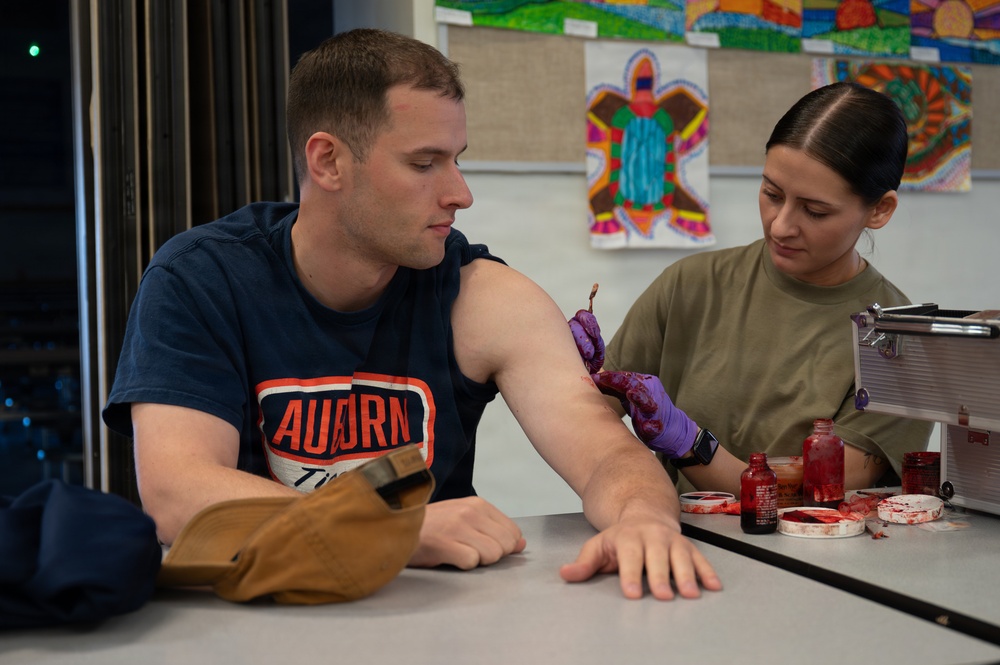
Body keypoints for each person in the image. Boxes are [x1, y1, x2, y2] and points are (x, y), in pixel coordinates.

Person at [101, 28, 721, 601]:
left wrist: (643, 516)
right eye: (425, 164)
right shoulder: (201, 279)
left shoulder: (482, 296)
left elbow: (606, 455)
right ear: (328, 162)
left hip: (434, 619)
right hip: (248, 618)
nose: (460, 193)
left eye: (458, 159)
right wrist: (392, 531)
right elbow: (177, 493)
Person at [570, 82, 934, 498]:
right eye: (771, 194)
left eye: (814, 211)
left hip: (814, 557)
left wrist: (693, 446)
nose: (780, 225)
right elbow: (590, 416)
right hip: (678, 541)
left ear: (879, 209)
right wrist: (563, 374)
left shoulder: (896, 340)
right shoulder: (690, 286)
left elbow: (822, 492)